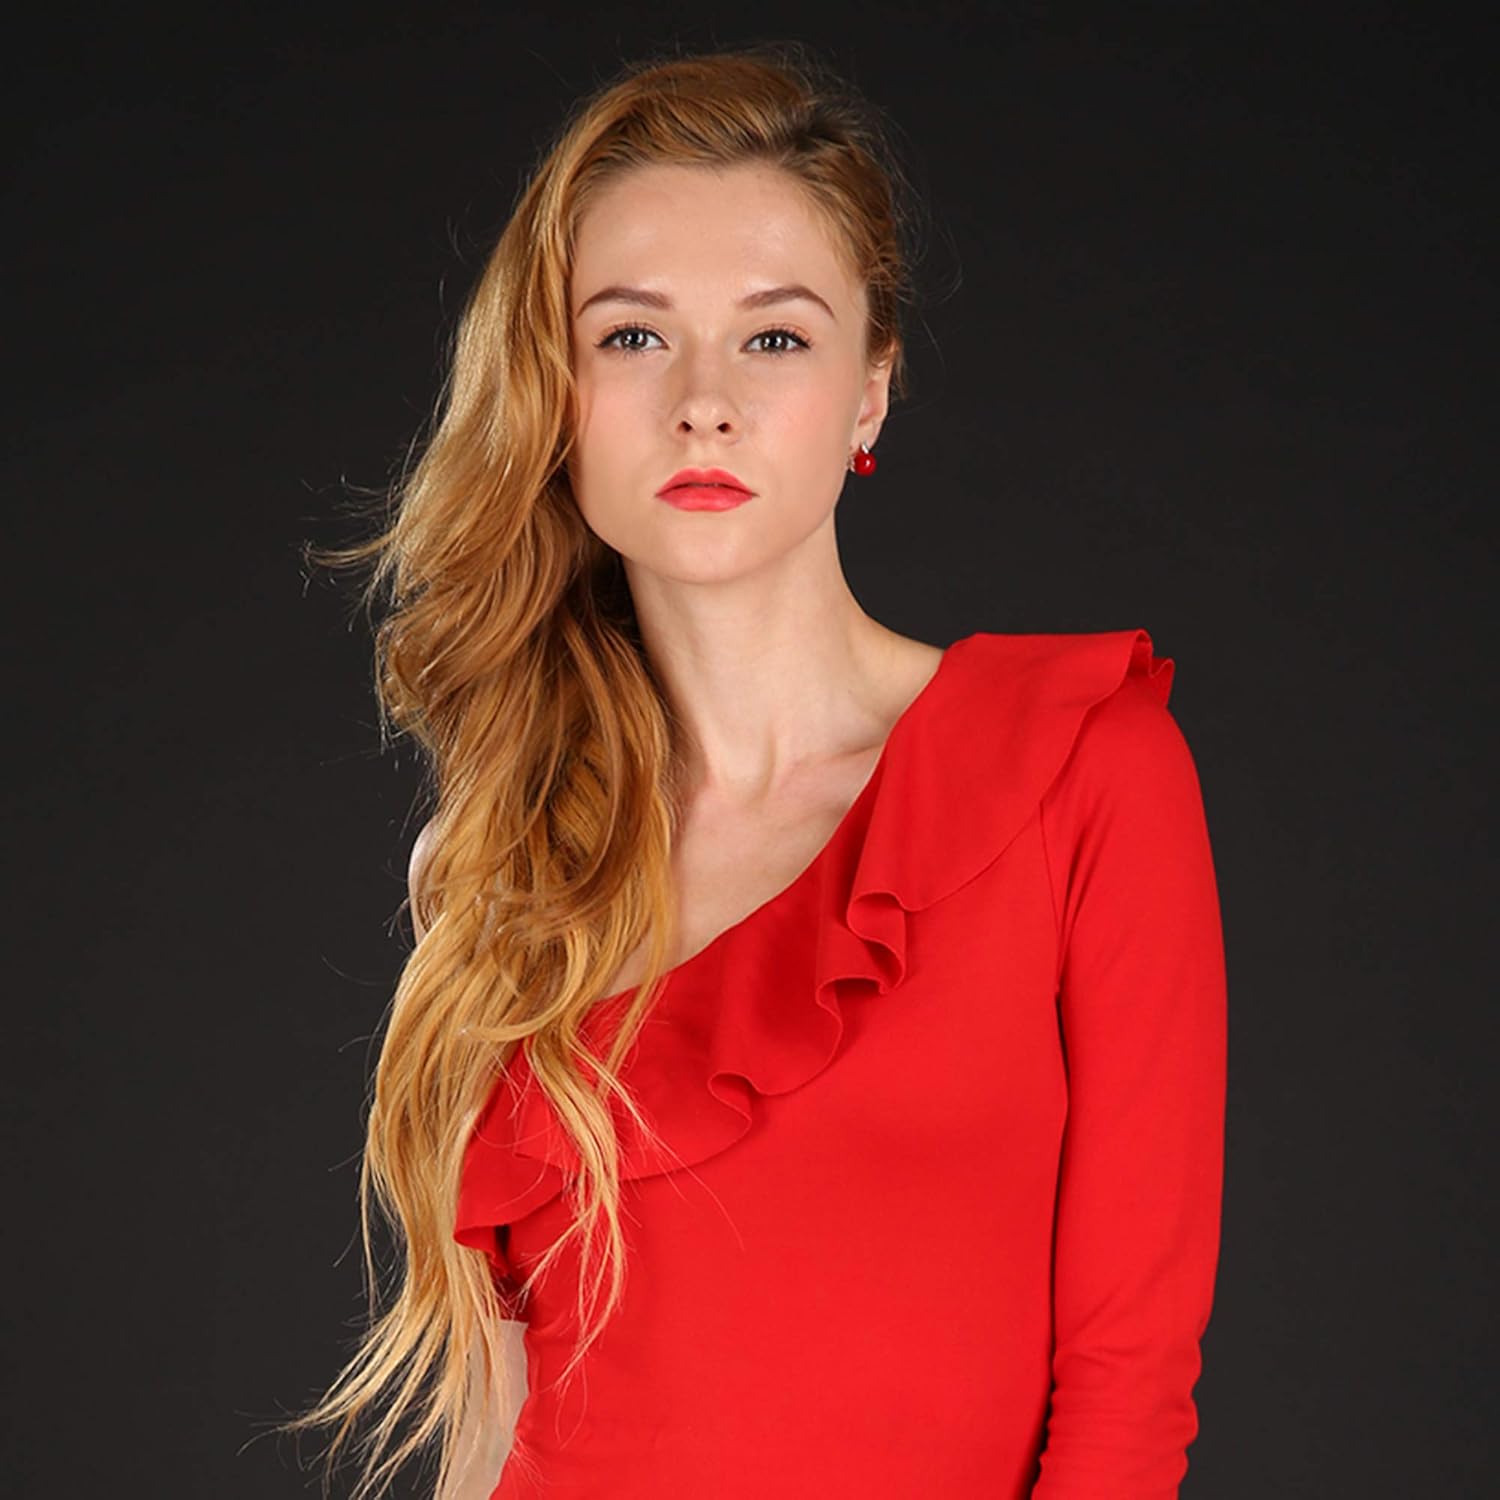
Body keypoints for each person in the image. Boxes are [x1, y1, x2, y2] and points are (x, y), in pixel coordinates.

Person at [286, 41, 1228, 1500]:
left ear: (870, 393)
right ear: (555, 395)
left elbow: (1128, 1393)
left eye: (775, 339)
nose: (704, 402)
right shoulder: (494, 864)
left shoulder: (1077, 772)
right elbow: (495, 1409)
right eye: (632, 336)